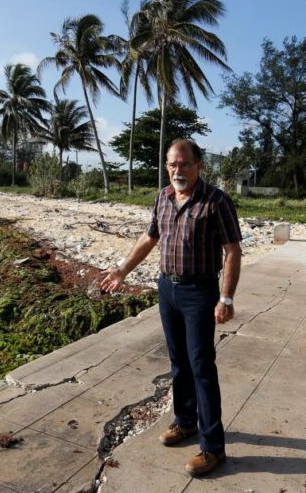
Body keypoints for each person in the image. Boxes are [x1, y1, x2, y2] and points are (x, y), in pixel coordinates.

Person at [100, 139, 242, 476]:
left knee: (201, 366)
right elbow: (150, 238)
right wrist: (122, 270)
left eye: (184, 164)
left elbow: (233, 251)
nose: (178, 170)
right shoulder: (163, 198)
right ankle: (185, 421)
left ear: (199, 166)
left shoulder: (215, 200)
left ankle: (212, 448)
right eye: (172, 165)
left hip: (200, 291)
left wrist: (226, 298)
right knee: (178, 362)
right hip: (167, 288)